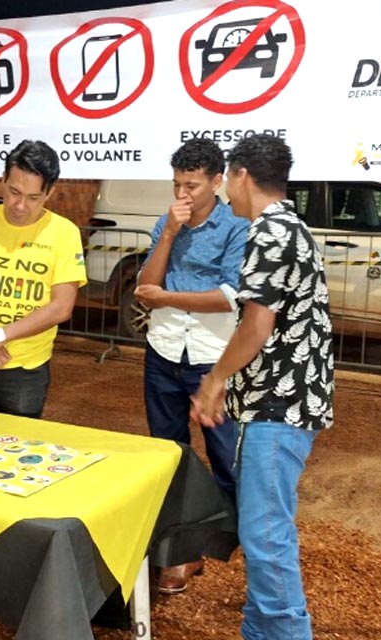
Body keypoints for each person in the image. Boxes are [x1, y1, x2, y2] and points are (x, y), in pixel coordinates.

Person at [191, 134, 333, 640]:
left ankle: (284, 634)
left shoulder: (269, 232)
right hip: (285, 402)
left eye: (228, 178)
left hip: (279, 407)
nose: (227, 191)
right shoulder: (288, 225)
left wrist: (215, 379)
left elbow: (256, 326)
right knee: (265, 528)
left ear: (242, 175)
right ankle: (262, 631)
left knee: (265, 533)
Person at [133, 138, 249, 594]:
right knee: (169, 454)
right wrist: (168, 235)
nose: (184, 195)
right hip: (163, 351)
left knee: (226, 456)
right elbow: (146, 282)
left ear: (217, 182)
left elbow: (227, 298)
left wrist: (165, 298)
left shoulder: (236, 225)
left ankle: (232, 538)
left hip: (211, 357)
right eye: (178, 184)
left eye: (194, 186)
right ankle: (179, 552)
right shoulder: (169, 221)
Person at [0, 139, 87, 419]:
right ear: (2, 180)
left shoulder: (64, 233)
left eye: (33, 198)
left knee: (18, 456)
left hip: (25, 370)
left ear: (50, 193)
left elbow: (62, 307)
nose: (20, 205)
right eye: (14, 192)